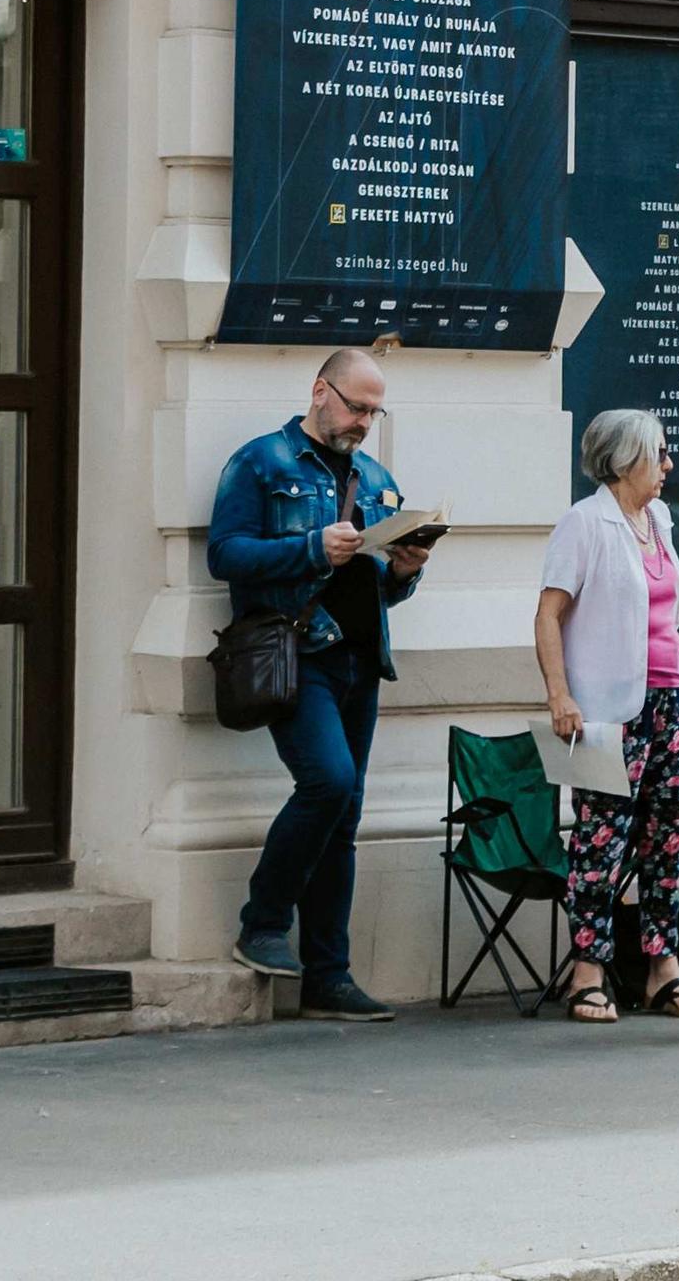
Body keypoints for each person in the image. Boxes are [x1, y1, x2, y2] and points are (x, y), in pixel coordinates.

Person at [205, 348, 439, 1023]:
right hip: (296, 653)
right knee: (328, 784)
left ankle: (328, 977)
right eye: (356, 406)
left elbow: (384, 591)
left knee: (344, 818)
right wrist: (312, 549)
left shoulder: (376, 478)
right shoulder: (262, 462)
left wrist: (404, 567)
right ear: (319, 391)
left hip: (362, 660)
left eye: (374, 410)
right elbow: (226, 554)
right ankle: (263, 921)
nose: (364, 422)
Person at [534, 408, 679, 1024]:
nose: (668, 466)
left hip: (668, 698)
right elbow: (548, 616)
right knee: (601, 840)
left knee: (668, 836)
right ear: (623, 459)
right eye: (658, 454)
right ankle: (587, 972)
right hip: (608, 708)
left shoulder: (658, 518)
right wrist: (561, 696)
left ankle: (663, 968)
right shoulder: (584, 524)